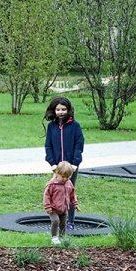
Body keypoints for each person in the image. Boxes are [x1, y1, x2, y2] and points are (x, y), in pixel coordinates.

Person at [44, 96, 84, 229]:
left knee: (69, 191)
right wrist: (52, 163)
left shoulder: (75, 126)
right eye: (58, 109)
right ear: (53, 110)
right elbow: (48, 145)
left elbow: (79, 144)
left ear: (68, 110)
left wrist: (75, 163)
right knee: (55, 191)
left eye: (63, 109)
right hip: (57, 167)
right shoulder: (51, 127)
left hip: (71, 166)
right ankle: (56, 219)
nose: (61, 112)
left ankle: (70, 221)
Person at [44, 162, 80, 245]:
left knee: (63, 224)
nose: (65, 179)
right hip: (53, 209)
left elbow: (72, 194)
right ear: (57, 173)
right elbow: (46, 196)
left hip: (64, 209)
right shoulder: (52, 184)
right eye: (63, 177)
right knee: (56, 221)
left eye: (68, 177)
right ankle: (54, 238)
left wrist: (75, 204)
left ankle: (62, 237)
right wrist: (48, 207)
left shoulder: (69, 183)